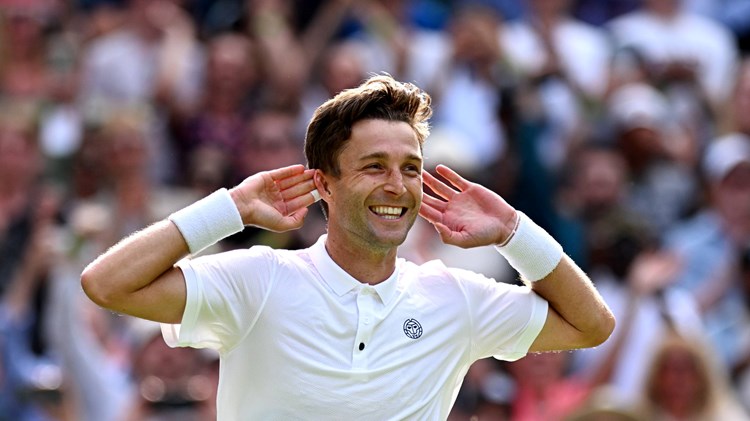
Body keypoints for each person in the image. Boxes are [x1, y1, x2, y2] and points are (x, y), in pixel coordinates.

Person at [80, 74, 615, 419]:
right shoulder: (258, 279)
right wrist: (229, 210)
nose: (396, 186)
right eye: (373, 166)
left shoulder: (456, 296)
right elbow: (106, 284)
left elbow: (592, 325)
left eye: (411, 168)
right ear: (324, 185)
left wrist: (514, 232)